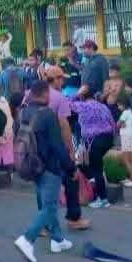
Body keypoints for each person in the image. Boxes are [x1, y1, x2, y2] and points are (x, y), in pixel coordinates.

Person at [14, 81, 76, 262]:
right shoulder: (48, 114)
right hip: (50, 167)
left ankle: (58, 239)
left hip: (32, 165)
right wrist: (71, 168)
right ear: (45, 94)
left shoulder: (23, 112)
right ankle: (27, 239)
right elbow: (58, 145)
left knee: (48, 203)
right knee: (49, 207)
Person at [40, 66, 91, 230]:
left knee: (42, 185)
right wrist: (70, 150)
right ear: (55, 79)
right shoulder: (59, 97)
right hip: (56, 146)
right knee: (71, 177)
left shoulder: (33, 93)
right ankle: (74, 218)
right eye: (61, 78)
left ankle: (43, 224)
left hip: (37, 146)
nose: (63, 82)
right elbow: (64, 126)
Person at [69, 96, 116, 209]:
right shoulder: (103, 107)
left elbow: (68, 104)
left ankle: (102, 199)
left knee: (95, 169)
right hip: (107, 138)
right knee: (93, 166)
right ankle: (97, 186)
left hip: (95, 140)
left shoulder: (83, 105)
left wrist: (75, 96)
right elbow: (112, 123)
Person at [117, 94, 132, 187]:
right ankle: (131, 178)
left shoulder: (125, 113)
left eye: (119, 105)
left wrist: (119, 124)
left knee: (126, 159)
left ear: (123, 104)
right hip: (131, 136)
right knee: (131, 159)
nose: (118, 107)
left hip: (126, 137)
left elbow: (118, 124)